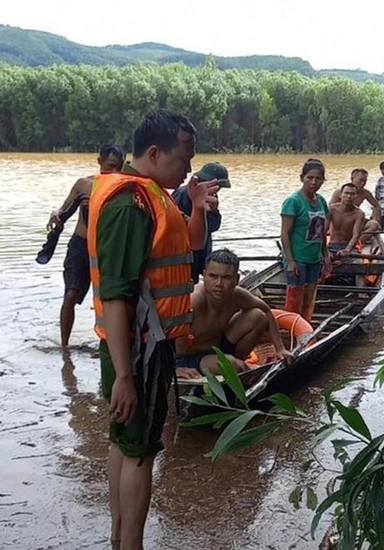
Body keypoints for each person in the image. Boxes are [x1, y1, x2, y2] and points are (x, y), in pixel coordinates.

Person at [87, 108, 217, 550]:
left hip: (144, 346)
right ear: (156, 152)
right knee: (140, 450)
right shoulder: (131, 203)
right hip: (139, 350)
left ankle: (120, 539)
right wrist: (125, 376)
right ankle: (130, 544)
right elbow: (117, 295)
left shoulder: (155, 195)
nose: (187, 170)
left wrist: (197, 205)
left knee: (125, 442)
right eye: (184, 160)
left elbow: (192, 243)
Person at [45, 145, 125, 347]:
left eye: (118, 168)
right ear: (99, 162)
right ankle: (64, 347)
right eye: (109, 166)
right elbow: (63, 210)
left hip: (106, 249)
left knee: (110, 299)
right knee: (71, 295)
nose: (113, 172)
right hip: (80, 246)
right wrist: (55, 213)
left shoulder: (123, 188)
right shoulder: (84, 185)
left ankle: (108, 343)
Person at [174, 249, 293, 379]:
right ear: (204, 276)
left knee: (258, 316)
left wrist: (280, 348)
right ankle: (236, 365)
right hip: (187, 359)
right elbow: (163, 336)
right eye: (213, 276)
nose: (219, 284)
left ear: (236, 279)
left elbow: (266, 311)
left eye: (226, 278)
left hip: (218, 347)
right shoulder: (194, 301)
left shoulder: (237, 295)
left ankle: (237, 361)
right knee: (232, 365)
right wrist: (174, 369)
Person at [280, 158, 332, 324]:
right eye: (310, 177)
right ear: (302, 178)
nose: (313, 182)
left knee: (309, 297)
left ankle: (305, 328)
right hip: (297, 258)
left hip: (314, 258)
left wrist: (325, 254)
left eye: (318, 178)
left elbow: (321, 232)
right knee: (295, 298)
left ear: (323, 180)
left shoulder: (321, 201)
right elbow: (285, 234)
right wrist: (290, 261)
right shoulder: (293, 202)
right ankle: (291, 330)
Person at [172, 162, 230, 283]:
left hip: (200, 256)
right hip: (184, 258)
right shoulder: (183, 194)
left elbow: (212, 227)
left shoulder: (210, 197)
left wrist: (214, 211)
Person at [330, 168, 381, 242]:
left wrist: (377, 219)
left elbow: (376, 206)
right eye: (360, 180)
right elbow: (329, 210)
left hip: (356, 220)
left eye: (365, 181)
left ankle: (357, 242)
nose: (363, 183)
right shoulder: (339, 192)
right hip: (341, 222)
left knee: (374, 224)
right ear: (352, 179)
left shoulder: (365, 193)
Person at [328, 183, 366, 256]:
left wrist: (348, 249)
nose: (349, 196)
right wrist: (325, 251)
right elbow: (322, 230)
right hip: (332, 245)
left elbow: (356, 235)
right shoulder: (332, 209)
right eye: (346, 193)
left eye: (352, 194)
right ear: (340, 195)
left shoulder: (359, 214)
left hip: (349, 246)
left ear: (356, 196)